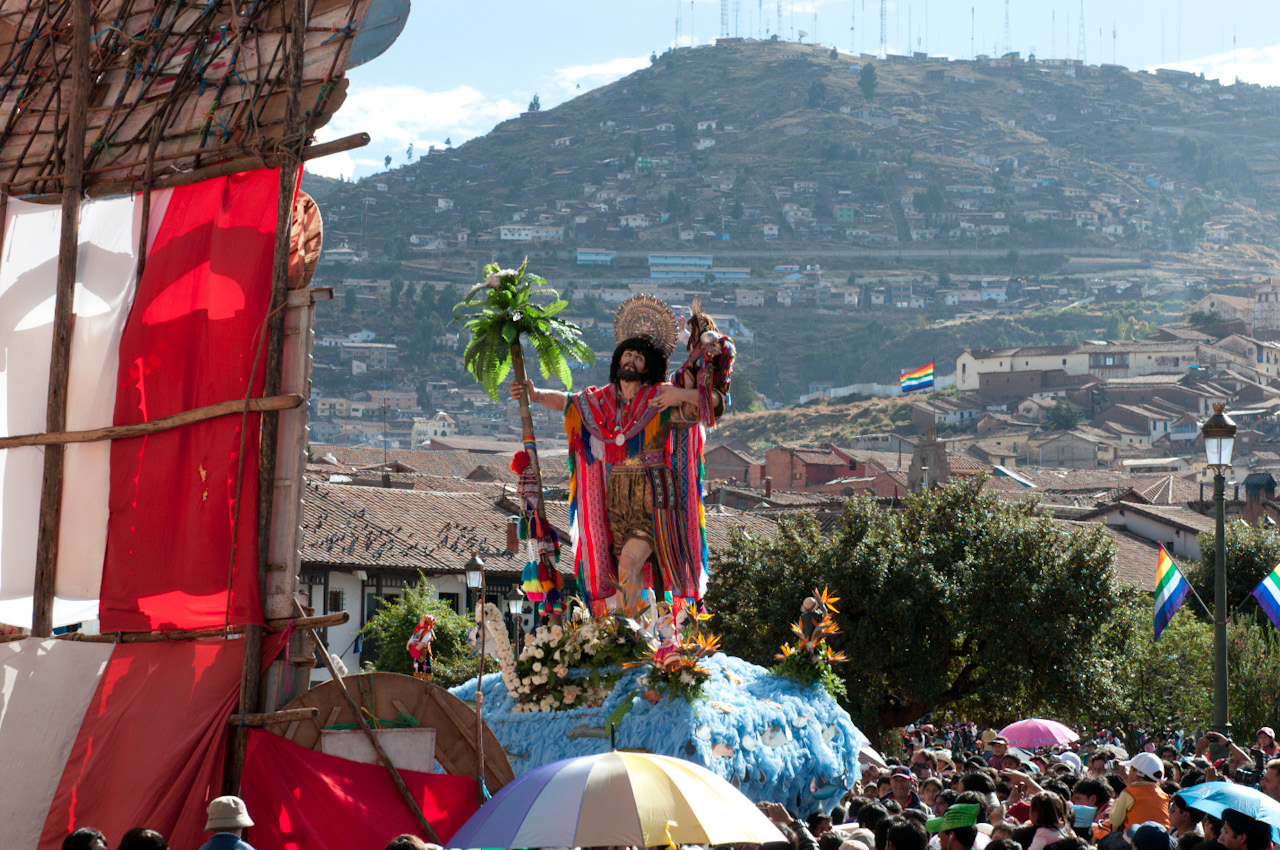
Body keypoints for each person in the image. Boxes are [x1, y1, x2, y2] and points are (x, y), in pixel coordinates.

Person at [515, 297, 723, 616]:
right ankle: (634, 631)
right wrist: (536, 395)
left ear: (649, 366)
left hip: (654, 500)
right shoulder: (602, 401)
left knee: (629, 562)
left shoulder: (658, 397)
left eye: (638, 357)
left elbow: (710, 405)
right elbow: (571, 403)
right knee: (624, 570)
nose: (631, 360)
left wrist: (680, 394)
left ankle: (631, 630)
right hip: (615, 502)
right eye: (627, 354)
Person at [1110, 753, 1170, 833]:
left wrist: (1115, 801)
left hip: (1136, 840)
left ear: (1137, 774)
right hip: (1162, 840)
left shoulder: (1128, 793)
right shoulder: (1163, 795)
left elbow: (1115, 821)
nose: (1128, 772)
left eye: (1130, 769)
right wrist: (1124, 775)